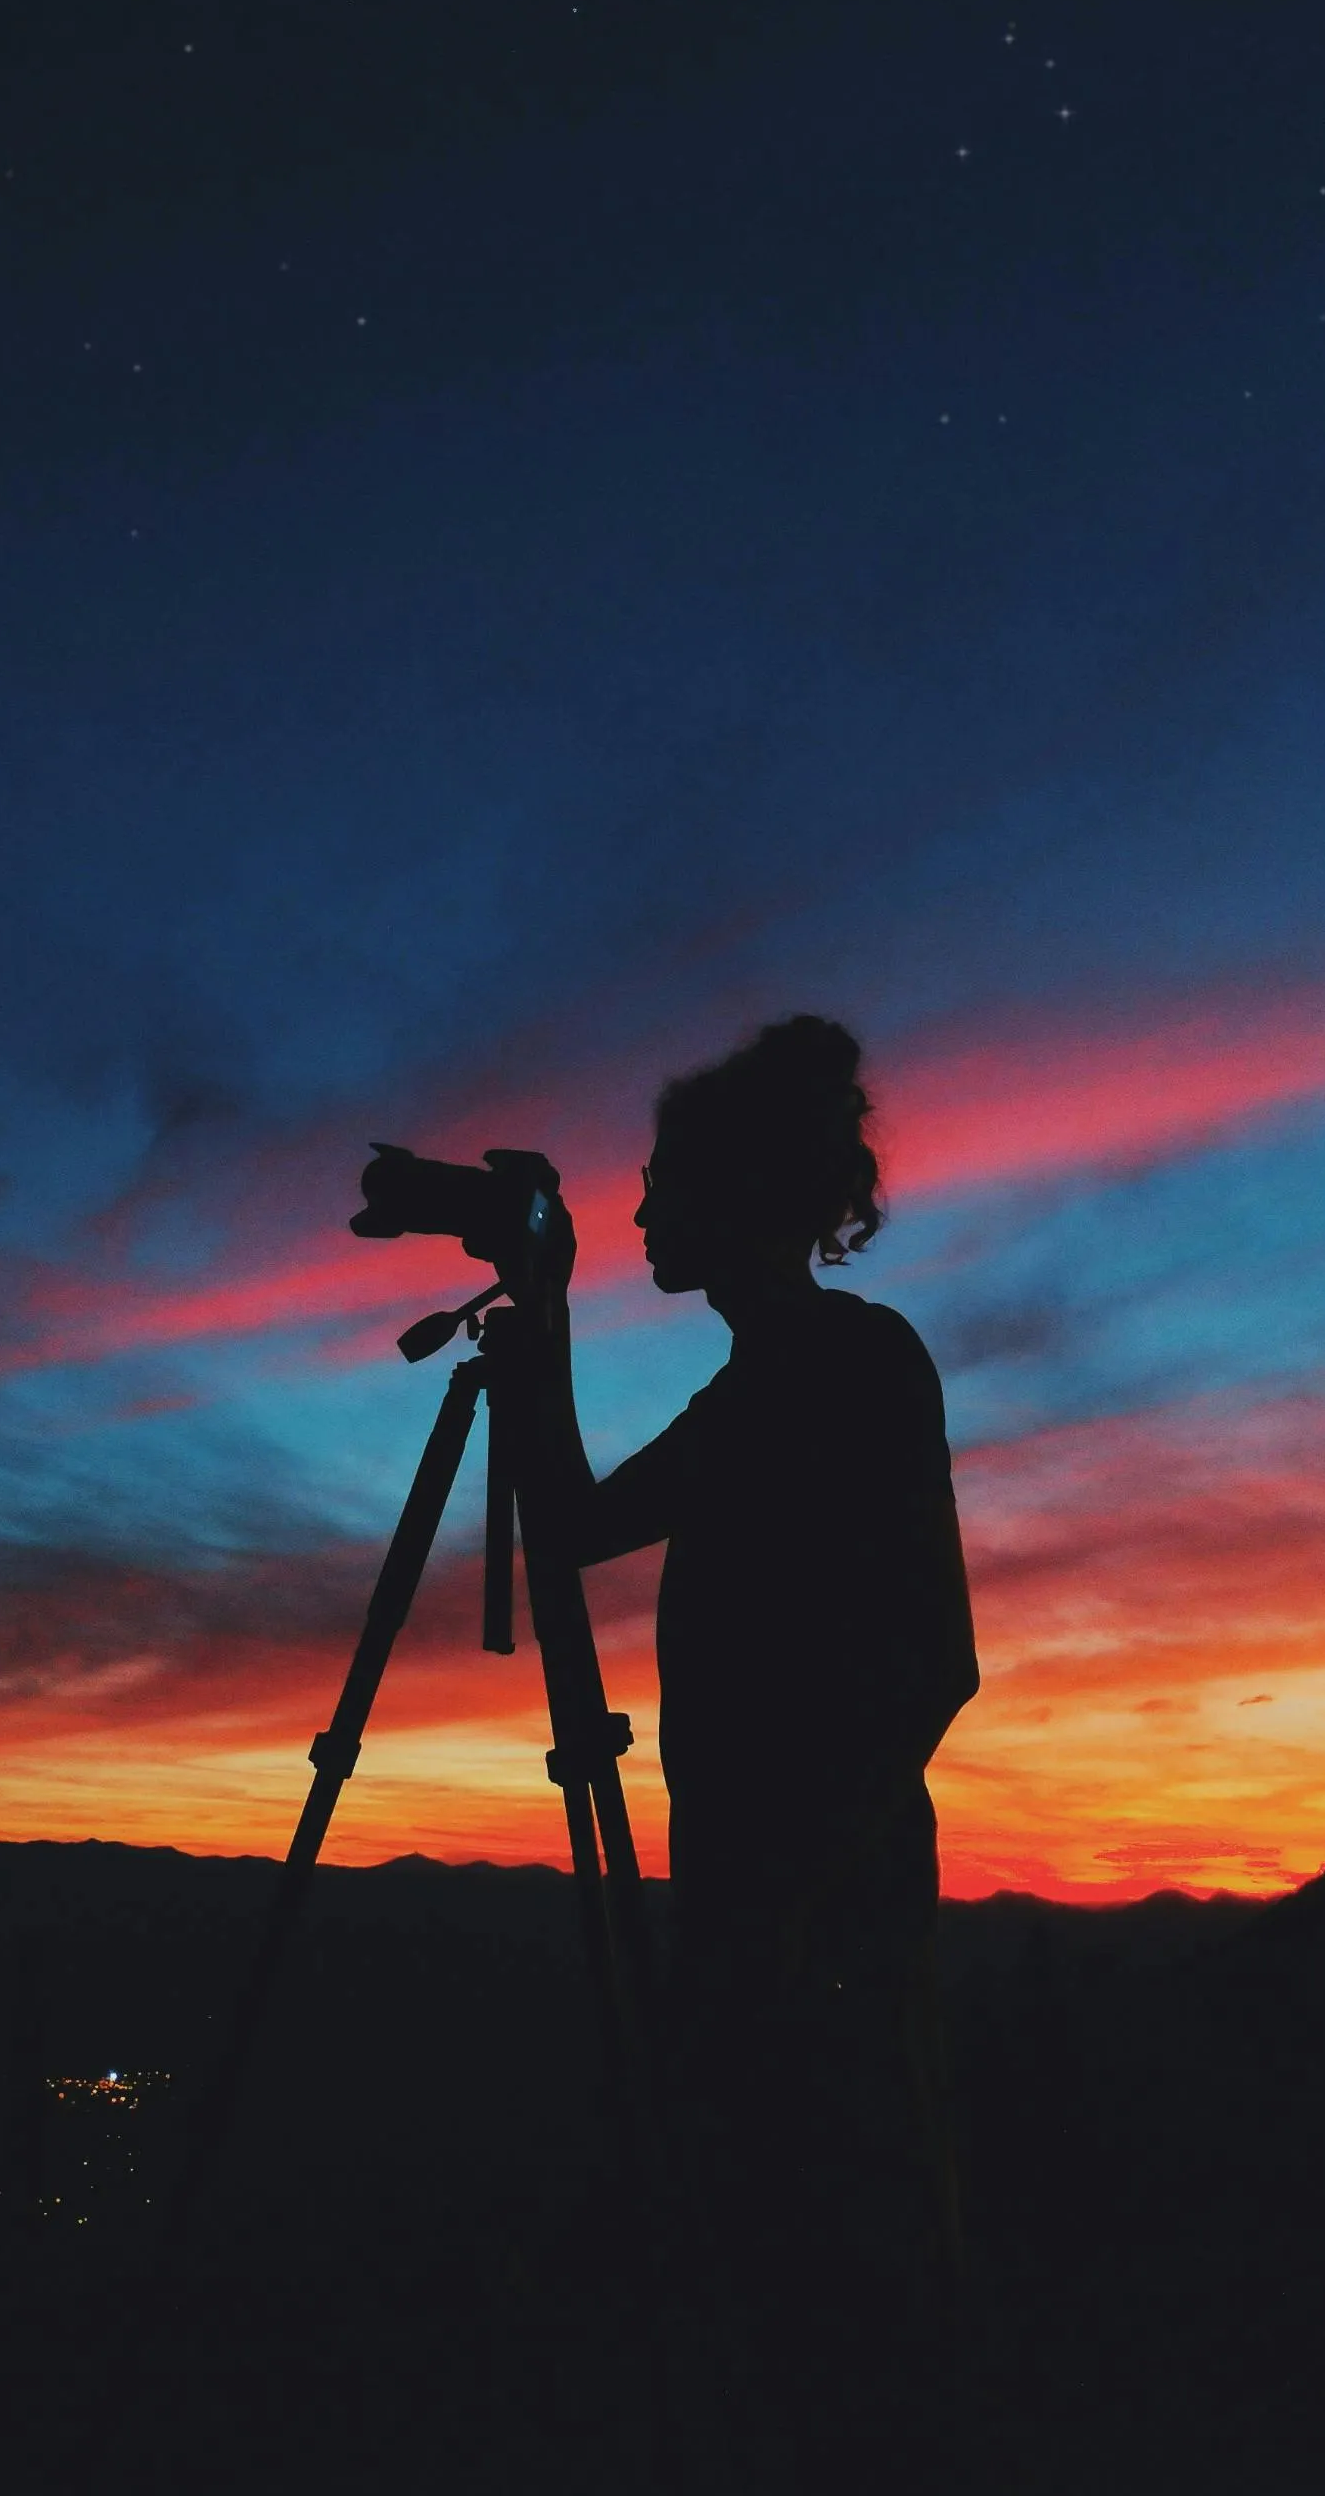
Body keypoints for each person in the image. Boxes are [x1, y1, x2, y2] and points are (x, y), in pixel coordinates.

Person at [518, 1013, 980, 2491]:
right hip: (749, 1910)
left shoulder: (852, 1364)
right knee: (777, 2292)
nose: (642, 1209)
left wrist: (791, 1902)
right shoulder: (763, 1383)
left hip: (815, 1925)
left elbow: (934, 1661)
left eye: (662, 1183)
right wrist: (543, 1296)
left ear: (739, 1190)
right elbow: (580, 1525)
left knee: (850, 2289)